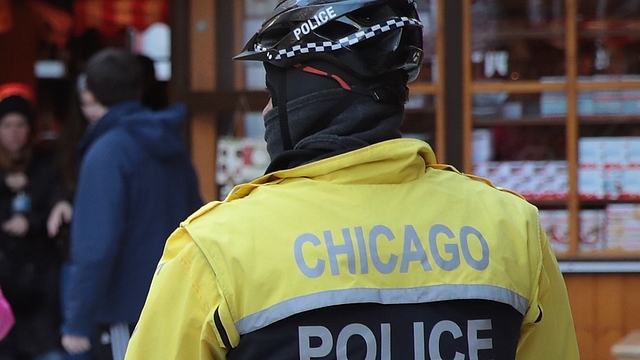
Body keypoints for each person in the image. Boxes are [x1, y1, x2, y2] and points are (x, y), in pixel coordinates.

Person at [125, 1, 580, 359]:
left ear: (311, 92)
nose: (266, 110)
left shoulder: (214, 249)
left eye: (271, 92)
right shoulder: (512, 228)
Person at [58, 48, 203, 360]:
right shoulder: (171, 142)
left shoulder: (106, 152)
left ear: (91, 96)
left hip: (125, 308)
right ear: (139, 87)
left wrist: (77, 319)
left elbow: (95, 246)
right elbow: (198, 217)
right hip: (178, 300)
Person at [0, 83, 66, 360]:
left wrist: (32, 222)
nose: (14, 132)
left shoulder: (46, 165)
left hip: (40, 287)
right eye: (7, 125)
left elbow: (58, 205)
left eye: (21, 124)